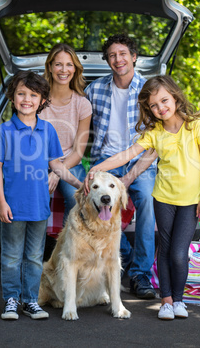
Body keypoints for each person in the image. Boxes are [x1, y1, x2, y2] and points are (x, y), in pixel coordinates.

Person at [85, 74, 200, 320]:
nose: (160, 108)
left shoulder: (196, 125)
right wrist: (97, 169)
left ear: (175, 97)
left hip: (190, 201)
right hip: (163, 198)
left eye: (164, 101)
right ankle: (166, 302)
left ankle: (179, 299)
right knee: (164, 250)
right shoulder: (155, 132)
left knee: (178, 252)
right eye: (153, 105)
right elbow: (126, 155)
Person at [0, 70, 82, 321]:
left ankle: (30, 300)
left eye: (33, 94)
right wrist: (1, 201)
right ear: (12, 97)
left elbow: (57, 165)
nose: (26, 99)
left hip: (39, 207)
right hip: (12, 207)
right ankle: (11, 299)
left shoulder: (48, 130)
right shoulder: (5, 131)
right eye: (21, 93)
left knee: (33, 256)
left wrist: (78, 183)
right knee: (10, 256)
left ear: (42, 100)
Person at [85, 34, 158, 299]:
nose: (118, 59)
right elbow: (77, 117)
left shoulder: (150, 90)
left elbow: (155, 144)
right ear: (108, 61)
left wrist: (129, 176)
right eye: (113, 55)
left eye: (123, 53)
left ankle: (140, 275)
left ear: (134, 56)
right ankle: (124, 253)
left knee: (148, 201)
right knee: (87, 202)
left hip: (141, 163)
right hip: (105, 162)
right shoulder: (94, 89)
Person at [39, 43, 92, 225]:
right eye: (58, 64)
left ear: (75, 68)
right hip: (38, 161)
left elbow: (78, 152)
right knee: (37, 196)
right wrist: (52, 169)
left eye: (69, 64)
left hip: (69, 162)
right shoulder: (37, 99)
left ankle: (69, 247)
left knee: (76, 197)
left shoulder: (82, 104)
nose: (64, 70)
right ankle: (36, 249)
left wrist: (57, 172)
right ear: (50, 67)